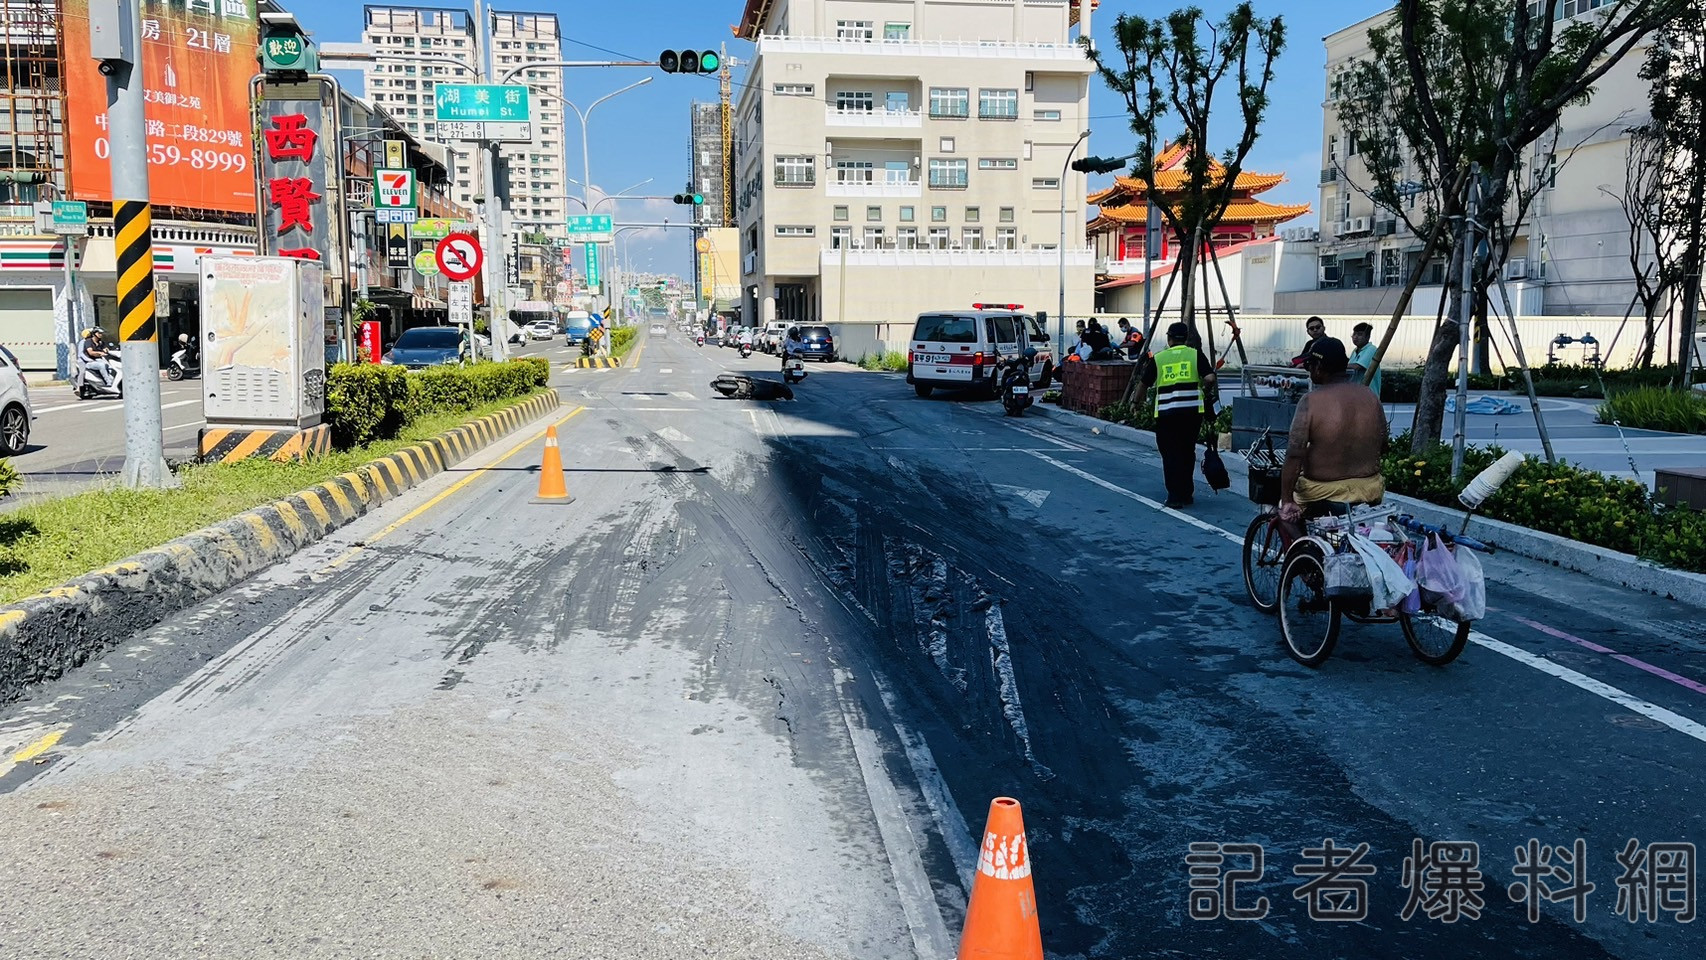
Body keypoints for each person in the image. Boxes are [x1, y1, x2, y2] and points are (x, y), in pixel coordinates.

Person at [1278, 336, 1387, 529]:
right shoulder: (1370, 396)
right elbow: (1383, 442)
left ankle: (1300, 554)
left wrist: (1287, 499)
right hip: (1370, 489)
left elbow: (1294, 454)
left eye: (1309, 364)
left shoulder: (1310, 401)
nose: (1308, 369)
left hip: (1323, 491)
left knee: (1286, 513)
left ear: (1318, 366)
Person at [1133, 322, 1217, 508]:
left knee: (1170, 454)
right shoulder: (1195, 355)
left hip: (1166, 415)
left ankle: (1174, 496)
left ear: (1169, 338)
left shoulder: (1160, 358)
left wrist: (1135, 404)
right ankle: (1186, 493)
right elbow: (1210, 378)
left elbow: (1144, 384)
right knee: (1187, 452)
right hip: (1191, 414)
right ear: (1186, 338)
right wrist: (1204, 390)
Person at [1347, 321, 1382, 401]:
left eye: (1359, 334)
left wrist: (1335, 365)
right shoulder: (1355, 351)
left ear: (1367, 337)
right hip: (1356, 396)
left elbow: (1357, 366)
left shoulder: (1371, 349)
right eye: (1354, 334)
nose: (1355, 337)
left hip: (1369, 397)